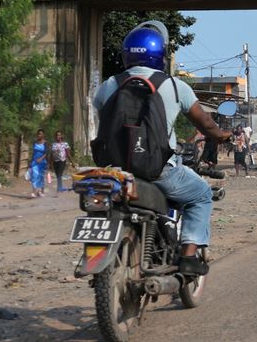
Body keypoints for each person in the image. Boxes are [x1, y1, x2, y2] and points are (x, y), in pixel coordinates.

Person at [93, 22, 232, 276]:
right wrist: (221, 136)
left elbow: (106, 119)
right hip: (158, 171)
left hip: (114, 171)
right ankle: (188, 258)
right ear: (160, 54)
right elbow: (207, 124)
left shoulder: (108, 85)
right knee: (201, 194)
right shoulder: (175, 86)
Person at [28, 129, 50, 197]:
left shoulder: (45, 143)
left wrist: (41, 159)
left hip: (42, 162)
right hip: (35, 161)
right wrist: (31, 162)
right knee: (34, 175)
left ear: (43, 135)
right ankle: (34, 191)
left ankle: (42, 191)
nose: (39, 135)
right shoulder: (35, 142)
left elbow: (46, 153)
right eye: (38, 134)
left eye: (40, 134)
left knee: (41, 176)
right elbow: (33, 152)